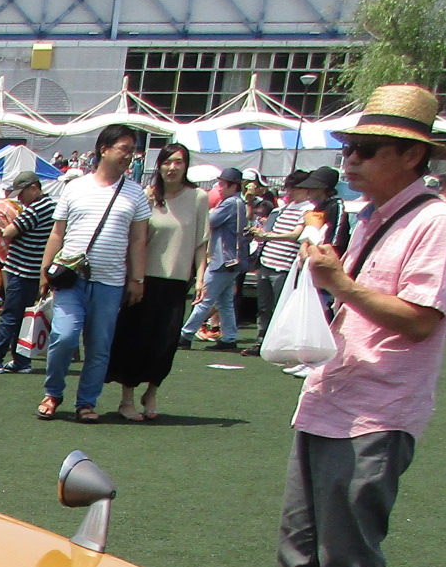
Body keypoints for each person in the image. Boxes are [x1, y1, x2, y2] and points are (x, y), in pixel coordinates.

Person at [275, 84, 446, 567]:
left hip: (377, 409)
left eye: (366, 149)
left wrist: (338, 281)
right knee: (300, 539)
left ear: (412, 156)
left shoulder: (438, 223)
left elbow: (419, 319)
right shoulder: (374, 217)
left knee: (349, 549)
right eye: (349, 148)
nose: (351, 160)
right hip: (331, 394)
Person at [37, 124, 151, 423]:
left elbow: (139, 240)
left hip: (110, 282)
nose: (129, 155)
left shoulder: (135, 193)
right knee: (64, 336)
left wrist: (137, 279)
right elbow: (57, 233)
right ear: (104, 149)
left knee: (99, 347)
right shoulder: (75, 187)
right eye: (124, 149)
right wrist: (44, 271)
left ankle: (86, 402)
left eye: (132, 150)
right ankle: (53, 392)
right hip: (71, 279)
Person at [107, 142, 208, 420]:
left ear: (186, 166)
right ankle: (126, 399)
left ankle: (151, 392)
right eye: (167, 162)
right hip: (144, 278)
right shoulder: (147, 196)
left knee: (166, 342)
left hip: (176, 280)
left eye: (178, 162)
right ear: (159, 165)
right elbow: (134, 238)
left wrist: (201, 277)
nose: (172, 167)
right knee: (134, 340)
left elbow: (201, 242)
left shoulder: (198, 197)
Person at [0, 170, 54, 374]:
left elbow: (9, 232)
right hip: (31, 270)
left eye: (21, 193)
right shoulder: (49, 205)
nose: (19, 198)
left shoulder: (36, 208)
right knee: (22, 318)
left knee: (10, 316)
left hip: (22, 270)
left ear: (33, 188)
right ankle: (21, 360)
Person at [179, 165, 248, 351]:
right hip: (231, 259)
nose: (219, 188)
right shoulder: (238, 202)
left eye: (222, 184)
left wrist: (205, 210)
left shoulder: (230, 203)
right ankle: (229, 338)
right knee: (225, 302)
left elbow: (209, 221)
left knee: (205, 298)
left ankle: (185, 335)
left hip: (223, 259)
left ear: (233, 186)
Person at [250, 170, 313, 337]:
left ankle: (280, 339)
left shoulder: (308, 209)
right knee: (263, 307)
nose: (289, 192)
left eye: (293, 188)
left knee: (282, 306)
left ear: (305, 189)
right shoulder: (283, 208)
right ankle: (262, 338)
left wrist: (268, 236)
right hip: (266, 262)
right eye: (288, 188)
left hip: (283, 267)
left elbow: (296, 234)